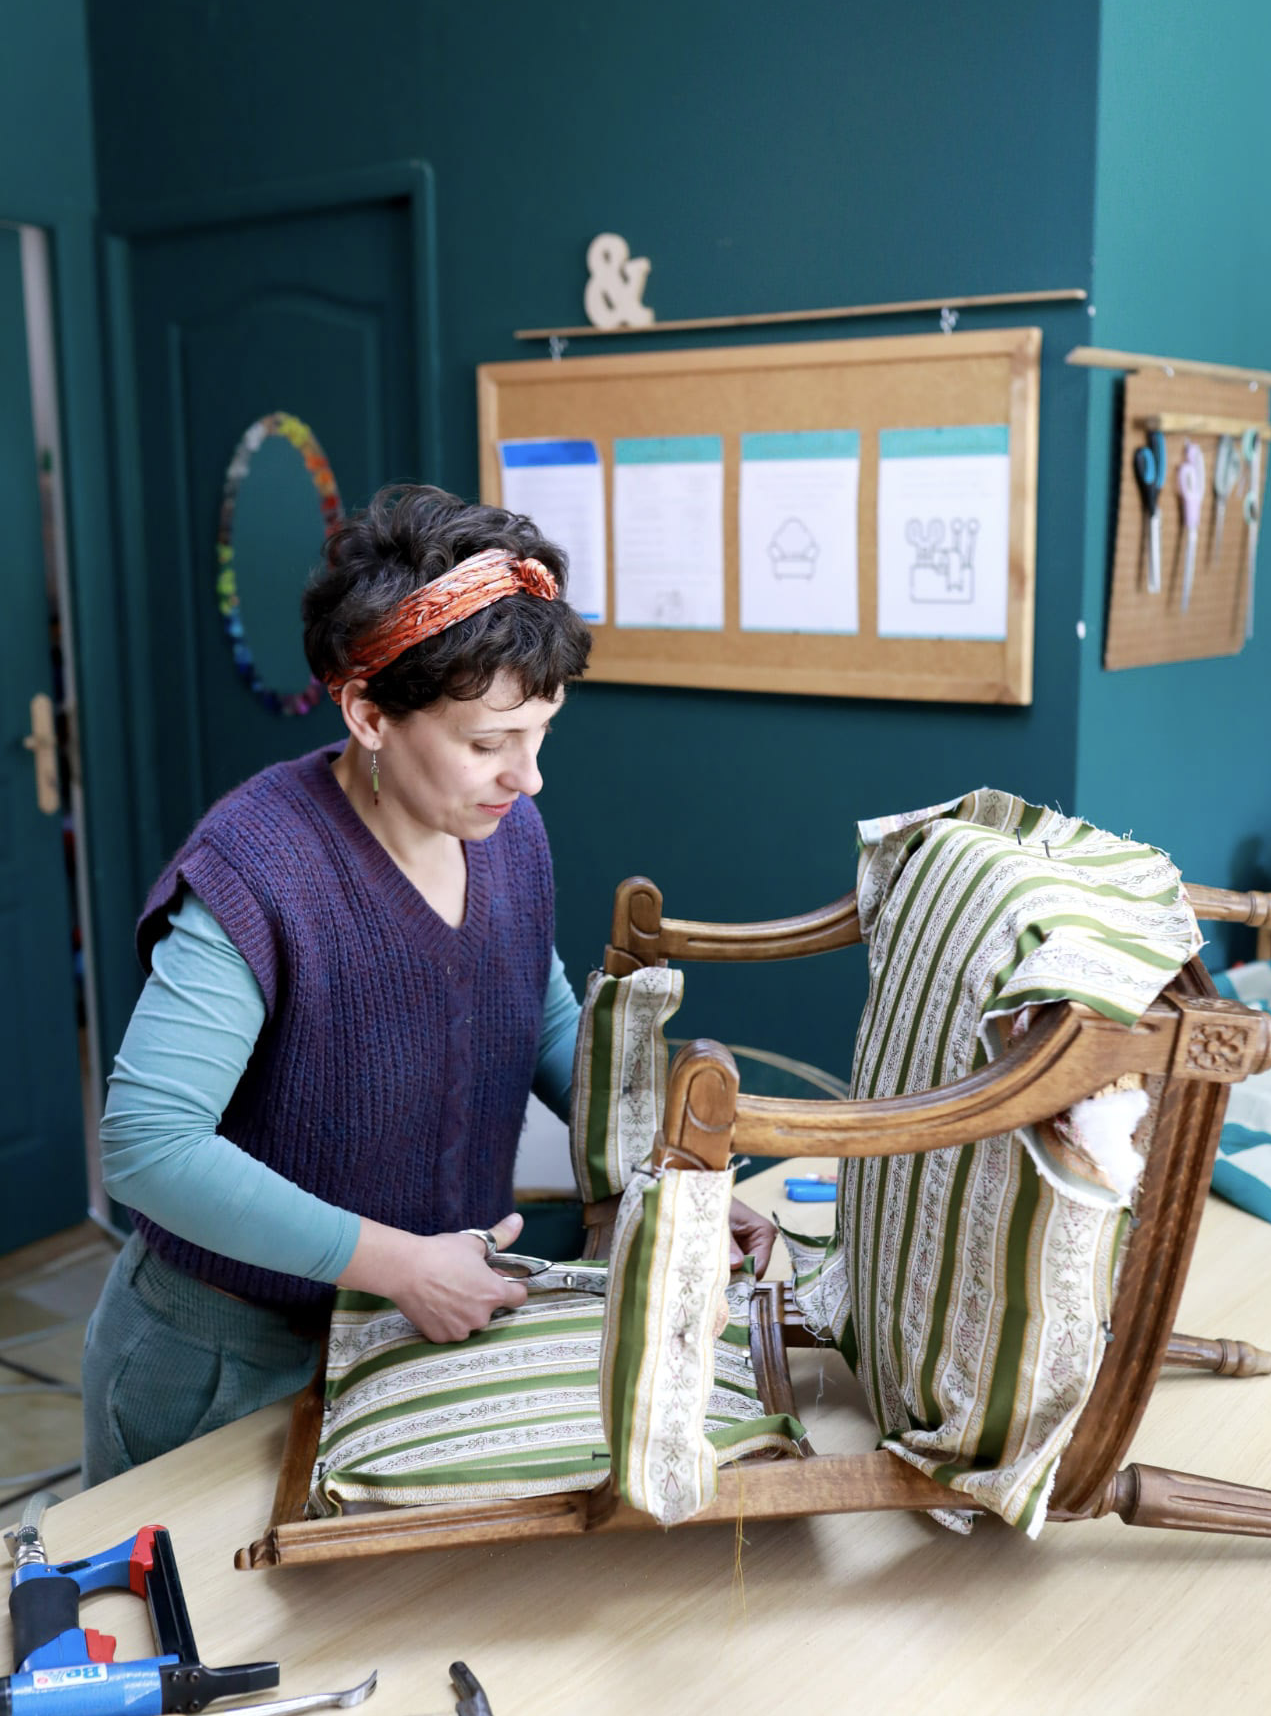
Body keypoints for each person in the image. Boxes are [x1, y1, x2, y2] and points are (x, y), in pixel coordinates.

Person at [83, 485, 775, 1484]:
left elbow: (535, 1016)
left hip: (404, 1341)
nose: (527, 778)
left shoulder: (504, 830)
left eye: (541, 732)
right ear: (368, 712)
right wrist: (401, 1263)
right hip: (222, 1362)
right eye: (488, 743)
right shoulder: (257, 869)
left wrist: (672, 1174)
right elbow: (149, 1145)